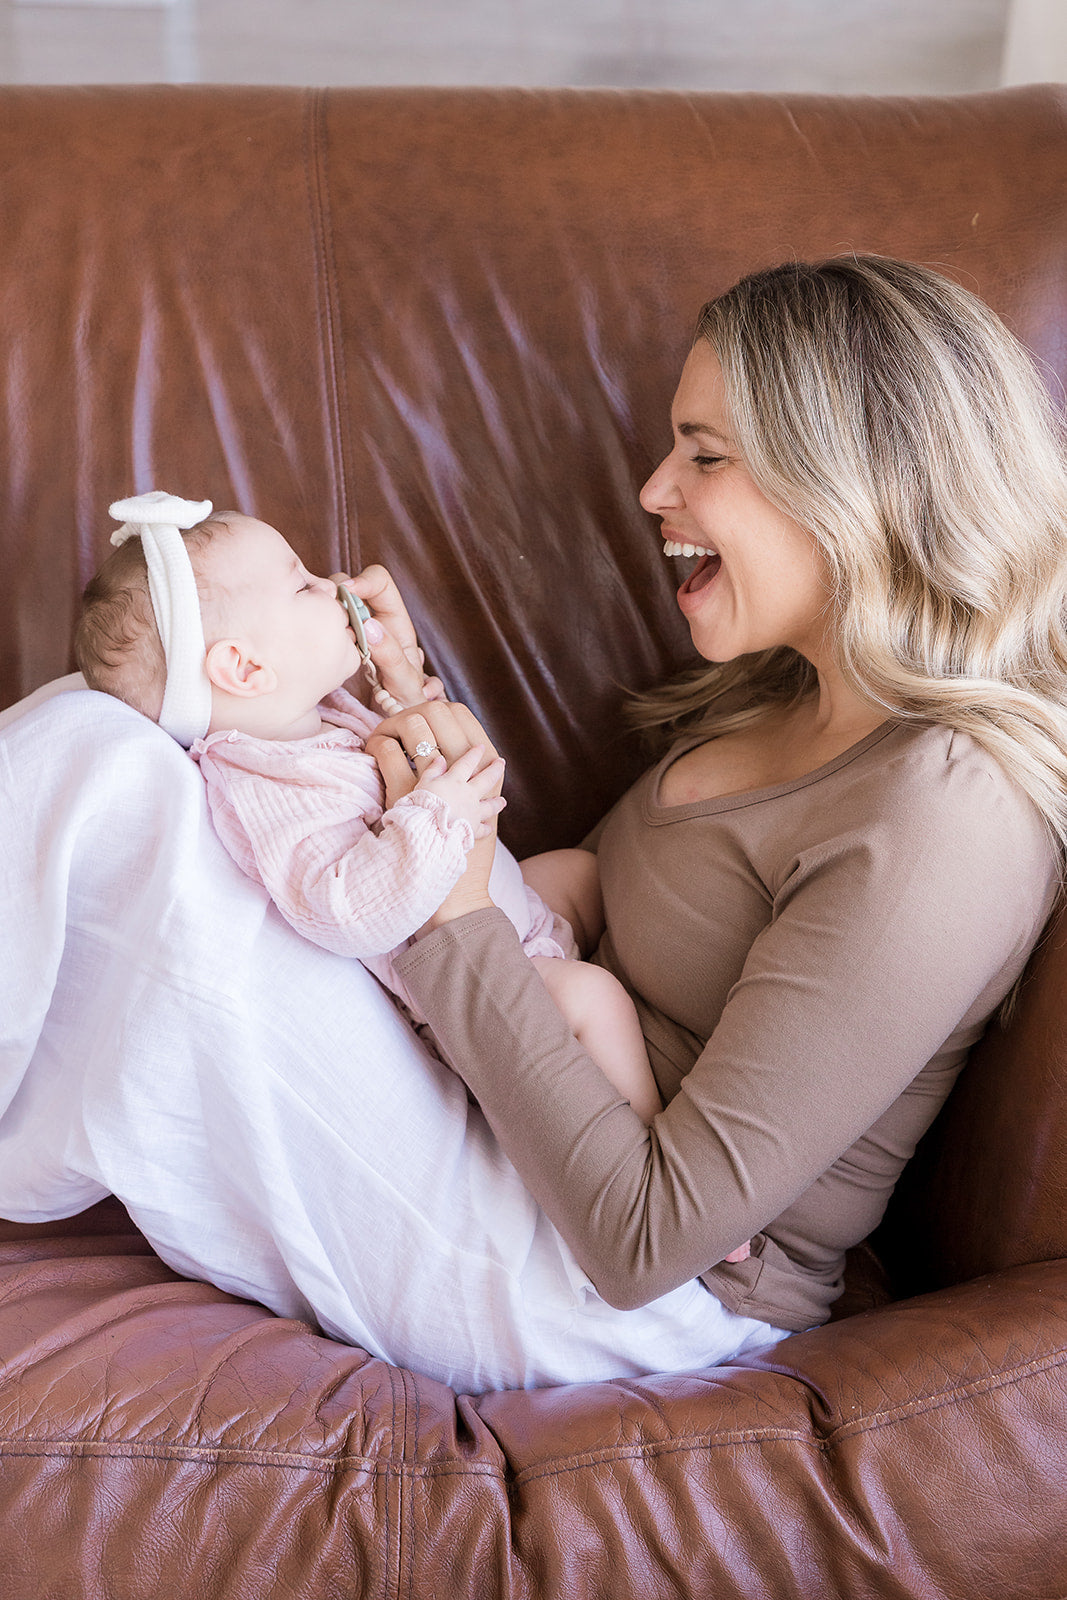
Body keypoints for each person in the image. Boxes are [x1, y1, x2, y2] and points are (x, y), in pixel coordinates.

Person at [367, 254, 1067, 1335]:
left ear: (861, 484)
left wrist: (451, 907)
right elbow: (557, 931)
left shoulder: (946, 813)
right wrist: (410, 731)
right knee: (125, 755)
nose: (653, 489)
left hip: (662, 1308)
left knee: (116, 782)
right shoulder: (771, 696)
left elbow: (644, 1241)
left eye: (704, 455)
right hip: (500, 1152)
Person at [73, 496, 664, 1124]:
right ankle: (656, 1154)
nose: (331, 586)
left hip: (511, 918)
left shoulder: (310, 720)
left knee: (582, 870)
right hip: (468, 995)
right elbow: (346, 909)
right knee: (595, 998)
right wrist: (436, 810)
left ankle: (682, 990)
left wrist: (403, 686)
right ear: (245, 668)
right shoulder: (265, 787)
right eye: (301, 584)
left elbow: (397, 753)